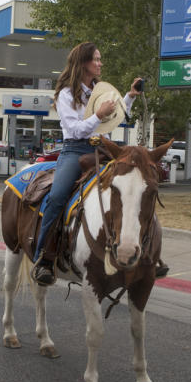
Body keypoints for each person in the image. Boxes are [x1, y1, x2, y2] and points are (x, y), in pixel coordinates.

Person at [32, 42, 141, 285]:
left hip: (103, 149)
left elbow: (117, 116)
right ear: (83, 63)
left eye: (100, 59)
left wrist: (129, 97)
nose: (100, 63)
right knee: (58, 196)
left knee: (136, 187)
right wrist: (98, 114)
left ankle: (143, 250)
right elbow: (75, 129)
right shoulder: (66, 94)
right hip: (75, 150)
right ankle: (44, 258)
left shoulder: (99, 91)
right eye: (96, 59)